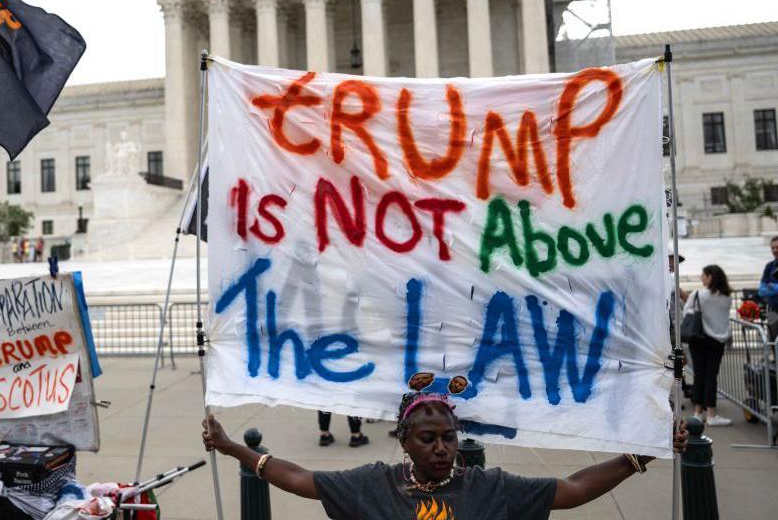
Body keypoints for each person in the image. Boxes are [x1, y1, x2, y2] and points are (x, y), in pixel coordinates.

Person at [202, 373, 688, 520]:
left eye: (449, 438)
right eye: (429, 439)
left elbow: (574, 489)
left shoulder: (490, 487)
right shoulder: (373, 484)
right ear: (405, 443)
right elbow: (299, 479)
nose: (442, 448)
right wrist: (232, 449)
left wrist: (641, 454)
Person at [683, 264, 733, 426]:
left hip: (699, 338)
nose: (701, 278)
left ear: (710, 277)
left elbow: (687, 312)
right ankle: (712, 413)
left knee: (699, 375)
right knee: (711, 376)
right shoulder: (727, 297)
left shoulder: (698, 294)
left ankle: (698, 413)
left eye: (703, 275)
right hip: (718, 341)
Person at [759, 236, 778, 342]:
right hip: (773, 312)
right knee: (773, 342)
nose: (775, 250)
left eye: (777, 247)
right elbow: (761, 290)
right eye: (773, 248)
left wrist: (774, 287)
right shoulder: (769, 266)